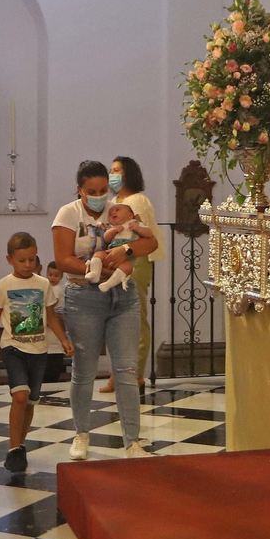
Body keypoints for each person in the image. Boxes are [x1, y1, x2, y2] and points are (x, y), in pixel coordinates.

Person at [53, 160, 160, 460]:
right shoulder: (68, 213)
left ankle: (132, 442)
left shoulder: (120, 210)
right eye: (92, 191)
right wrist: (92, 267)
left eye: (103, 189)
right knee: (85, 370)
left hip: (122, 296)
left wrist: (124, 251)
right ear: (80, 189)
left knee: (126, 370)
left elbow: (147, 243)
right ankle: (81, 434)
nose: (99, 196)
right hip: (84, 297)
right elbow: (61, 259)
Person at [0, 232, 71, 472]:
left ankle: (21, 445)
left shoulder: (43, 284)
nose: (27, 265)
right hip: (13, 347)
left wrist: (63, 340)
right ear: (10, 260)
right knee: (20, 396)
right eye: (21, 260)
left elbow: (51, 317)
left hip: (39, 350)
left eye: (32, 260)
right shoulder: (3, 285)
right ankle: (14, 448)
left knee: (31, 401)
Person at [107, 156, 163, 394]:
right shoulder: (113, 201)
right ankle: (117, 373)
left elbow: (143, 234)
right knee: (116, 319)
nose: (113, 174)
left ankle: (136, 374)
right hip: (116, 262)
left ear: (128, 173)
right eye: (111, 170)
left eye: (117, 170)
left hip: (137, 261)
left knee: (136, 318)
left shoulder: (138, 200)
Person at [85, 203, 154, 291]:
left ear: (130, 215)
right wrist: (114, 230)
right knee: (98, 254)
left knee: (128, 267)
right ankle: (95, 273)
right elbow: (106, 238)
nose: (113, 213)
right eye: (110, 214)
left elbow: (149, 234)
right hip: (111, 250)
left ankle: (109, 284)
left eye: (117, 210)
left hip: (128, 257)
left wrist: (138, 229)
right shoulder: (112, 227)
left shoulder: (136, 223)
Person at [42, 261, 70, 392]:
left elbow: (51, 308)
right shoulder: (47, 287)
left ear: (61, 276)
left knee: (51, 379)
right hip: (46, 342)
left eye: (56, 275)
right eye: (50, 275)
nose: (52, 278)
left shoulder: (57, 289)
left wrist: (43, 315)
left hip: (55, 341)